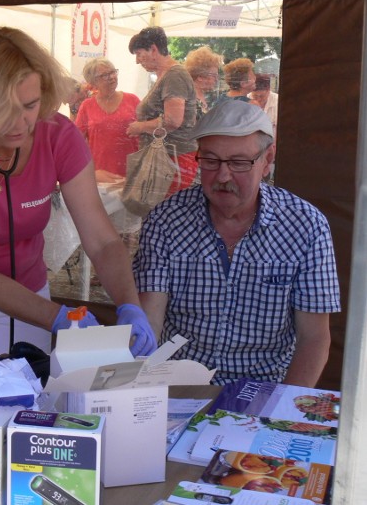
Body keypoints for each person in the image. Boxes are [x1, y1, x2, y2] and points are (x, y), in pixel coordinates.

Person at [0, 27, 156, 360]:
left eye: (30, 105)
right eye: (2, 108)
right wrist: (58, 318)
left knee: (27, 394)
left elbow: (102, 240)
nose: (20, 122)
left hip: (25, 285)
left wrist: (129, 305)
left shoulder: (59, 136)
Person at [135, 99, 340, 386]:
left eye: (239, 163)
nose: (222, 175)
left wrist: (278, 408)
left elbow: (314, 339)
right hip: (177, 384)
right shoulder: (166, 220)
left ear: (268, 159)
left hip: (263, 385)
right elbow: (150, 320)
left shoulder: (306, 226)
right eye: (210, 160)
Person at [126, 26, 197, 195]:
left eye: (139, 54)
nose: (137, 60)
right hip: (168, 159)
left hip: (174, 160)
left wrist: (140, 127)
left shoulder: (174, 75)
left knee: (169, 213)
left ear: (153, 49)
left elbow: (173, 121)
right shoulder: (165, 75)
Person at [75, 57, 140, 183]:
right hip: (100, 175)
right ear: (93, 82)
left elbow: (148, 134)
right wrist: (88, 171)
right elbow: (76, 142)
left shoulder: (132, 100)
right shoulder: (87, 106)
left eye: (112, 72)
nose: (111, 77)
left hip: (132, 175)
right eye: (104, 75)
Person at [183, 45, 222, 121]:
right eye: (214, 75)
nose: (216, 79)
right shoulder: (188, 100)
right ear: (200, 76)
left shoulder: (204, 97)